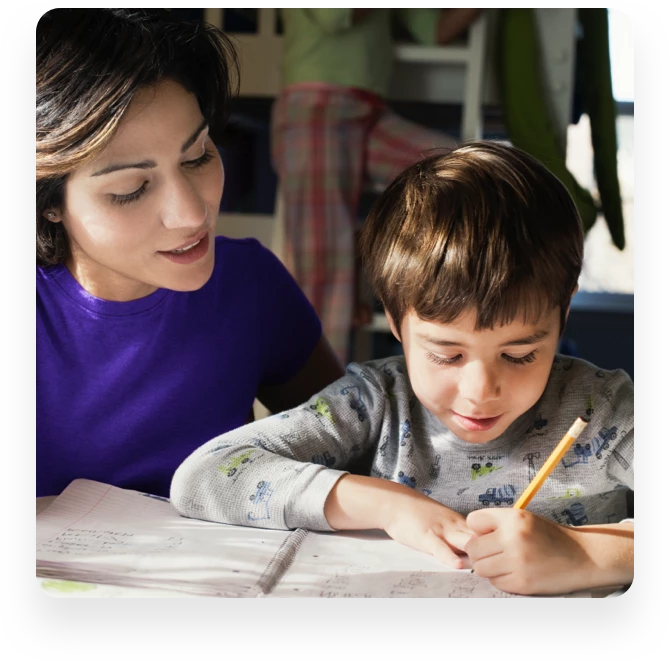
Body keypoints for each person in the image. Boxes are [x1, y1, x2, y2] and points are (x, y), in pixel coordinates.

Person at [171, 141, 634, 596]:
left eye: (518, 355)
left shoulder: (605, 412)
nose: (479, 391)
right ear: (395, 318)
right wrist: (387, 505)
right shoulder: (376, 403)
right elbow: (204, 476)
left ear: (563, 312)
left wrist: (584, 555)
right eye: (447, 354)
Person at [36, 8, 345, 500]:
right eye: (132, 188)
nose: (190, 214)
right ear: (50, 203)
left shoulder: (250, 284)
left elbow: (354, 445)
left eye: (198, 155)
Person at [272, 8, 483, 363]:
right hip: (314, 109)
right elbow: (337, 16)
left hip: (367, 114)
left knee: (463, 171)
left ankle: (382, 267)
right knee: (322, 268)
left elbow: (434, 30)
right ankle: (318, 407)